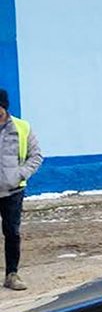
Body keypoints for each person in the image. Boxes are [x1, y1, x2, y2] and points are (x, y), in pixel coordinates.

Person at [0, 89, 43, 291]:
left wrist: (20, 174)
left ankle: (12, 275)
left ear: (5, 107)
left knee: (12, 233)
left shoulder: (22, 127)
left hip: (13, 192)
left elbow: (36, 156)